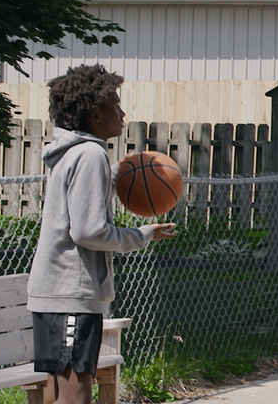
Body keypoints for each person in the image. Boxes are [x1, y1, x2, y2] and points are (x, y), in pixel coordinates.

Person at [29, 65, 177, 404]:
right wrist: (140, 235)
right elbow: (88, 230)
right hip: (71, 293)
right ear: (95, 115)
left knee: (54, 393)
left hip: (54, 291)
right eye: (115, 105)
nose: (122, 113)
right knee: (76, 393)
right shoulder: (90, 154)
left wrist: (120, 174)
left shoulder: (71, 153)